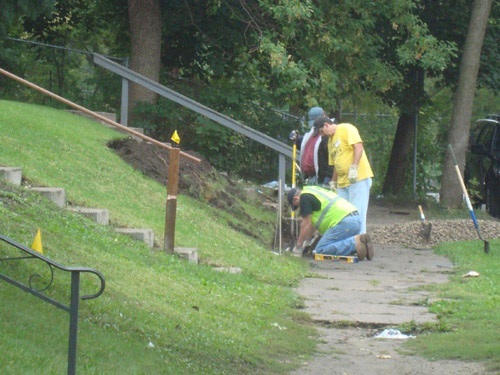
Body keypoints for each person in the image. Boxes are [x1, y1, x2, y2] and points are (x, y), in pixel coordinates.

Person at [314, 116, 373, 234]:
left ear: (326, 125)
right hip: (342, 183)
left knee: (357, 216)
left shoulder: (346, 128)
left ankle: (359, 246)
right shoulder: (330, 142)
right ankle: (347, 245)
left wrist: (354, 168)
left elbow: (359, 148)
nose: (322, 135)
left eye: (321, 131)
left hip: (358, 179)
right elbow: (336, 164)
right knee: (343, 216)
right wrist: (333, 182)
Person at [287, 186, 374, 260]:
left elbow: (306, 224)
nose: (299, 208)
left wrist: (298, 247)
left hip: (344, 222)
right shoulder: (312, 190)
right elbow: (311, 227)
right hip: (354, 220)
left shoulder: (304, 198)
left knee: (320, 250)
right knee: (332, 245)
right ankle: (363, 246)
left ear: (296, 199)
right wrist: (307, 241)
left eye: (297, 206)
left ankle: (354, 243)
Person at [289, 107, 333, 186]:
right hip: (311, 177)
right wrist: (298, 139)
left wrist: (328, 178)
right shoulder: (312, 131)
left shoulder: (328, 133)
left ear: (324, 115)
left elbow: (331, 157)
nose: (315, 125)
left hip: (322, 178)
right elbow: (309, 150)